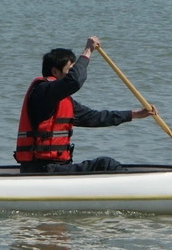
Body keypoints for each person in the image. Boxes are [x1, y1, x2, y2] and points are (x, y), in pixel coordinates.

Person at [14, 35, 157, 173]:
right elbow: (75, 81)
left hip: (55, 168)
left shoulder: (61, 101)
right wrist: (88, 51)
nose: (72, 73)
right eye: (70, 70)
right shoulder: (42, 92)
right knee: (106, 164)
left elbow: (93, 117)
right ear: (55, 71)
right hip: (43, 169)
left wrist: (134, 114)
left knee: (104, 164)